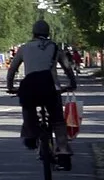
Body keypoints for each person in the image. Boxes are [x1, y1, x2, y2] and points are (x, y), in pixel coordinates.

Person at [6, 19, 79, 165]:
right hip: (51, 88)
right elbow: (67, 67)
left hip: (31, 88)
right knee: (58, 120)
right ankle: (63, 149)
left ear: (33, 32)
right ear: (48, 33)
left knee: (28, 109)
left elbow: (12, 69)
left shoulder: (24, 48)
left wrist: (10, 86)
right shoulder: (55, 48)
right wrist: (72, 83)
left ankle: (31, 133)